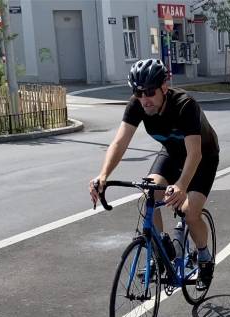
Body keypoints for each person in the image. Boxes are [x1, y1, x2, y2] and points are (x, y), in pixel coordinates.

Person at [89, 58, 219, 288]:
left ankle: (205, 257)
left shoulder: (184, 105)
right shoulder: (137, 105)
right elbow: (120, 142)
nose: (144, 98)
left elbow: (195, 153)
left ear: (164, 88)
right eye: (138, 92)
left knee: (190, 212)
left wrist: (180, 185)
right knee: (147, 193)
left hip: (202, 157)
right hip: (171, 153)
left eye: (149, 92)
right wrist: (103, 175)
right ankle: (162, 247)